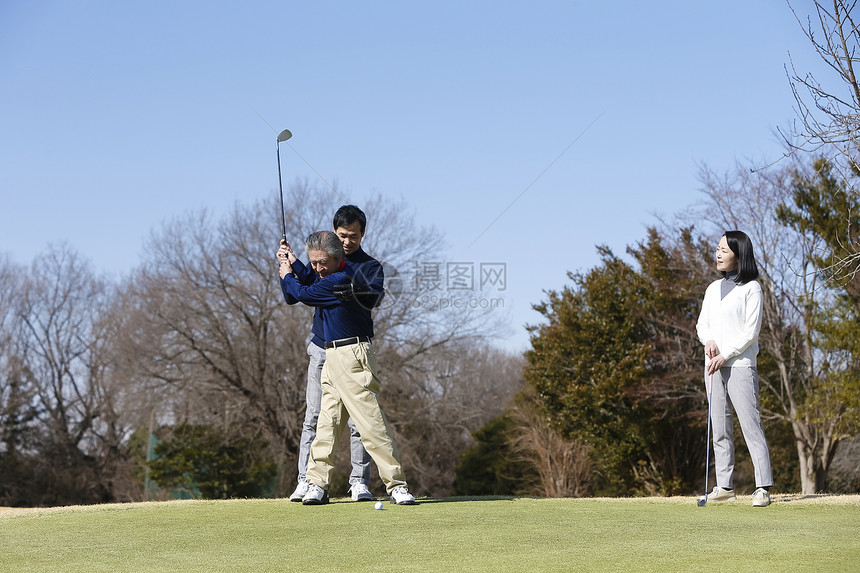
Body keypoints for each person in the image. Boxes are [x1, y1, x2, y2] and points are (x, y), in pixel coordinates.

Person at [278, 230, 416, 506]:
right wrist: (292, 262)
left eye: (322, 262)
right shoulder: (326, 276)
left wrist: (285, 273)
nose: (317, 268)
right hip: (331, 356)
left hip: (353, 355)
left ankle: (396, 485)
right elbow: (302, 287)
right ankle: (317, 483)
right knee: (327, 423)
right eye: (313, 262)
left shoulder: (337, 280)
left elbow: (299, 293)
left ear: (338, 257)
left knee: (370, 423)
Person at [279, 205, 382, 503]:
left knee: (357, 420)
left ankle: (359, 482)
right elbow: (295, 294)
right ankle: (306, 479)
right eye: (342, 235)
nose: (348, 241)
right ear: (334, 233)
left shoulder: (368, 267)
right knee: (313, 416)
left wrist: (293, 272)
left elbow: (371, 296)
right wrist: (291, 265)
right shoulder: (320, 262)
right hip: (321, 348)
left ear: (362, 234)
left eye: (353, 236)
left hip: (353, 350)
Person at [696, 230, 773, 507]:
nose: (718, 254)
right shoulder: (712, 289)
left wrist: (725, 354)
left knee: (751, 426)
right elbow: (701, 325)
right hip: (713, 367)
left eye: (724, 250)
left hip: (740, 365)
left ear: (739, 256)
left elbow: (750, 333)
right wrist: (709, 341)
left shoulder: (752, 288)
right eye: (717, 249)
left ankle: (762, 487)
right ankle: (725, 486)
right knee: (720, 427)